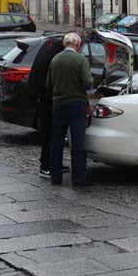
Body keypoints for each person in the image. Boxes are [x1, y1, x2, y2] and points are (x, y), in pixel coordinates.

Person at [46, 32, 93, 187]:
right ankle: (78, 178)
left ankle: (56, 177)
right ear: (78, 45)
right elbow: (88, 82)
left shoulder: (55, 59)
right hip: (76, 104)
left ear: (65, 44)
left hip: (58, 104)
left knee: (57, 141)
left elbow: (48, 84)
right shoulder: (80, 59)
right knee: (78, 143)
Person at [28, 36, 66, 178]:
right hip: (47, 99)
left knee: (51, 133)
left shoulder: (49, 46)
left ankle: (54, 163)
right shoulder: (57, 52)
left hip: (42, 97)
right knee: (50, 133)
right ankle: (46, 166)